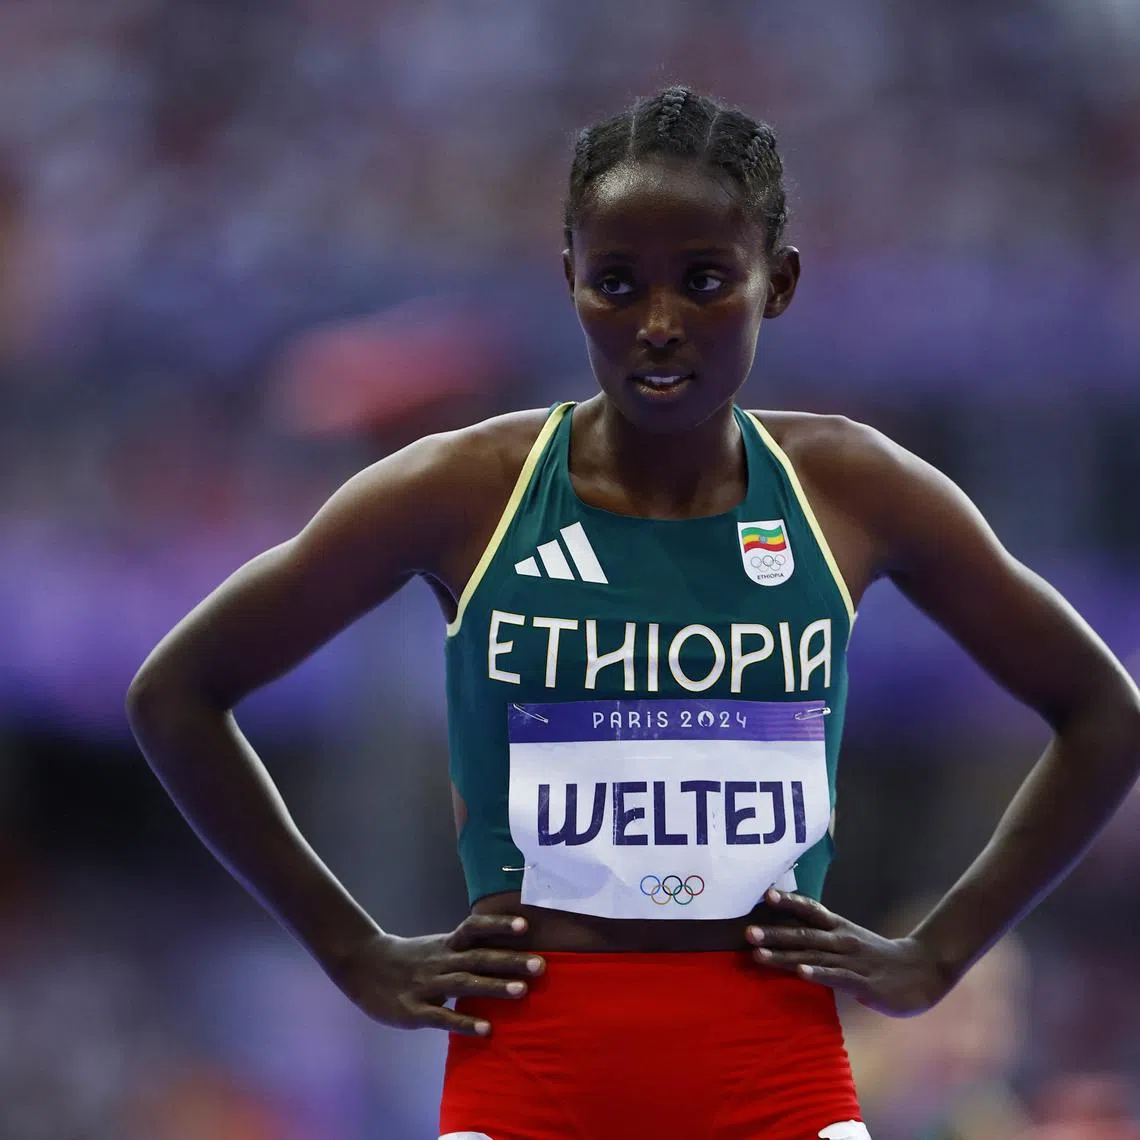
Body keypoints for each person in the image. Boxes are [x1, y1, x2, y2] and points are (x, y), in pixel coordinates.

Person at [126, 87, 1140, 1140]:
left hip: (776, 1078)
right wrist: (353, 951)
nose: (658, 324)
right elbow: (179, 694)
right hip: (529, 1077)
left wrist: (938, 953)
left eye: (705, 282)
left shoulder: (851, 489)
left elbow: (1103, 713)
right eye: (617, 284)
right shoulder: (466, 490)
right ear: (569, 281)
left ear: (777, 283)